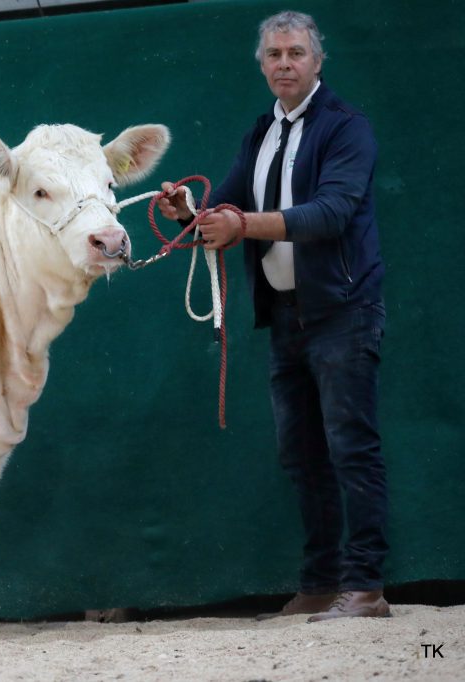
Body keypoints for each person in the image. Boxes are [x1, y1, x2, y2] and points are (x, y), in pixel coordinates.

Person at [158, 10, 389, 621]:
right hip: (285, 317)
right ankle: (320, 583)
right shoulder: (262, 132)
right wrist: (189, 212)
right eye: (273, 55)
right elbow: (227, 202)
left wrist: (240, 226)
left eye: (295, 53)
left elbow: (331, 213)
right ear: (261, 65)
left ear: (317, 61)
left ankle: (366, 587)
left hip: (344, 311)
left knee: (351, 448)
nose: (284, 63)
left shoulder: (347, 128)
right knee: (302, 455)